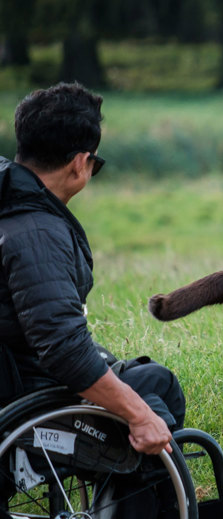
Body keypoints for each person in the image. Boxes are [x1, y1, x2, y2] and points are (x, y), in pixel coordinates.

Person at [0, 83, 185, 453]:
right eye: (95, 163)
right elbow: (63, 350)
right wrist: (138, 414)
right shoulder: (37, 233)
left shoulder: (9, 200)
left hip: (14, 369)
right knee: (155, 392)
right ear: (80, 163)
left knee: (146, 379)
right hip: (23, 395)